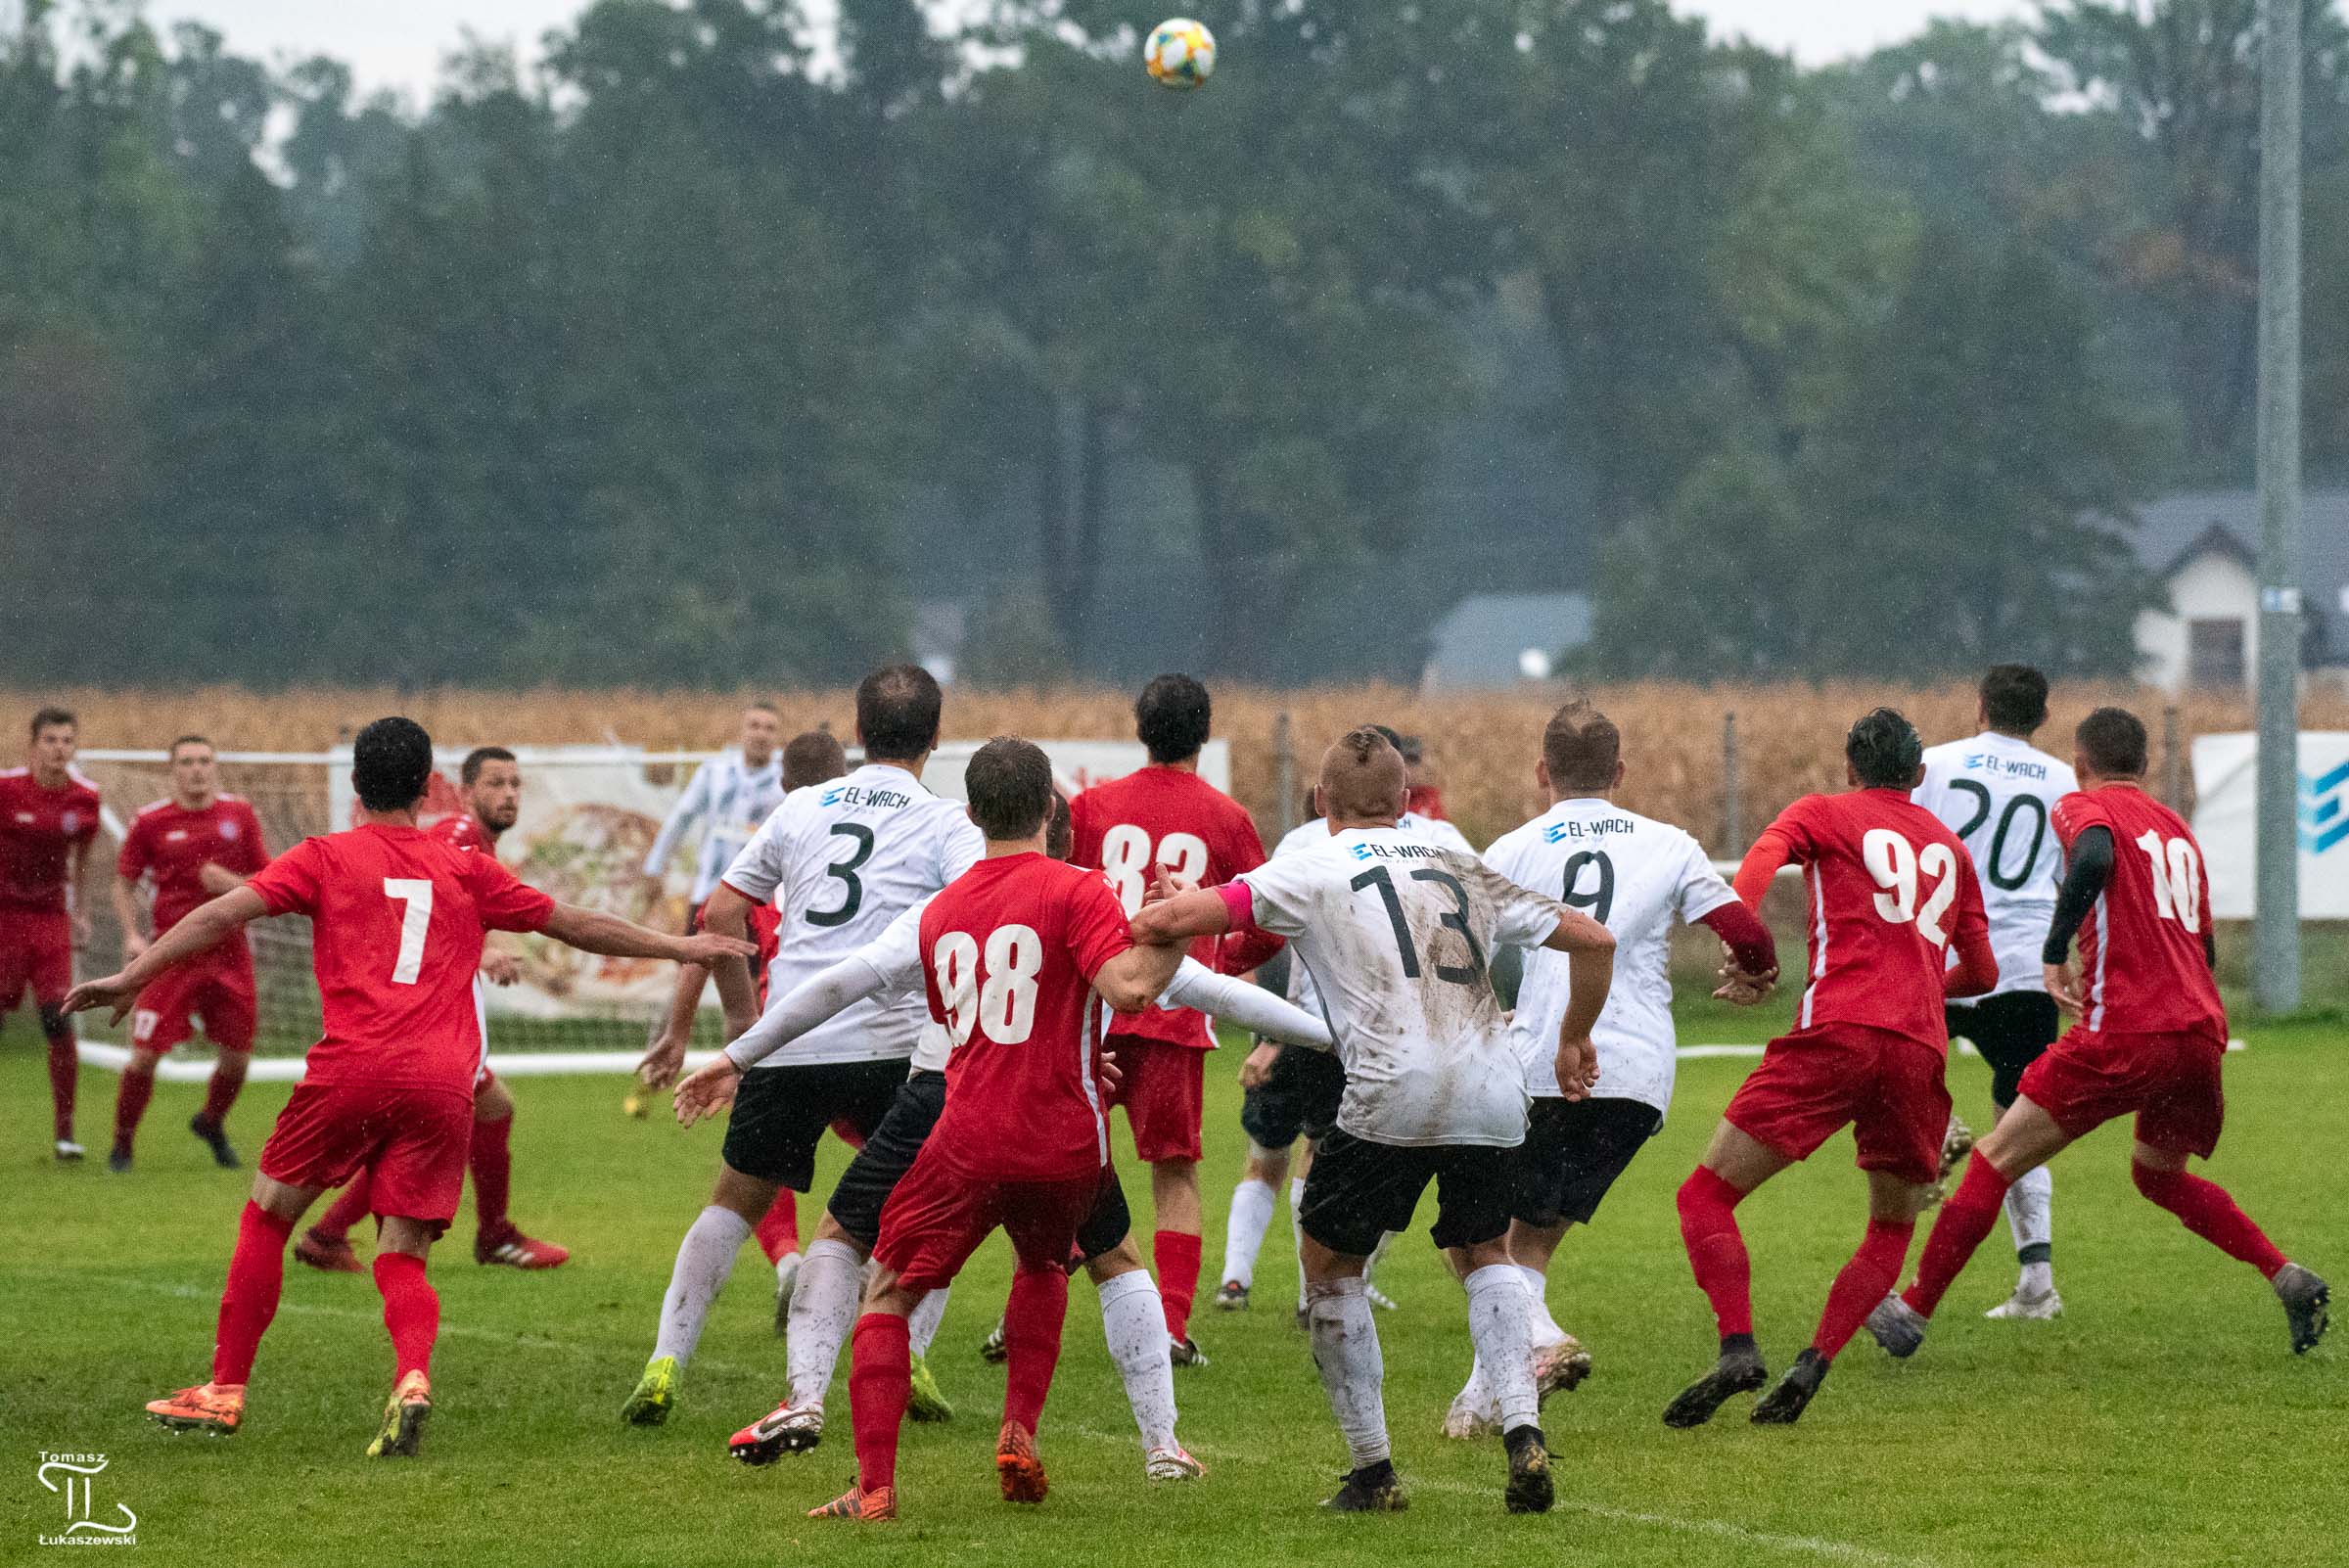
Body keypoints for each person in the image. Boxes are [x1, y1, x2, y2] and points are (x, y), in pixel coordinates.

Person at [62, 717, 751, 1455]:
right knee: (401, 1251)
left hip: (352, 1069)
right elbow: (573, 923)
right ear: (430, 788)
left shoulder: (326, 856)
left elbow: (223, 911)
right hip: (443, 1082)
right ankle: (413, 1377)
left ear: (357, 787)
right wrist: (682, 945)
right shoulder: (465, 868)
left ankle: (224, 1389)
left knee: (268, 1216)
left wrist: (132, 975)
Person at [678, 791, 1334, 1481]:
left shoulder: (947, 903)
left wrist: (740, 1053)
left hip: (948, 1109)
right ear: (1063, 833)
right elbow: (1214, 991)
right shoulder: (1090, 905)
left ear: (975, 820)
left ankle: (812, 1405)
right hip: (1057, 1119)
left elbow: (846, 981)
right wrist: (1334, 1038)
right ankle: (1159, 1445)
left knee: (850, 1241)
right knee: (1099, 1260)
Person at [1133, 726, 1617, 1514]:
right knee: (1485, 1248)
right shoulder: (1463, 863)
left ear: (1321, 802)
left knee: (1328, 1265)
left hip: (1392, 1085)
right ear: (1406, 802)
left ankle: (1373, 1471)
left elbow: (1191, 920)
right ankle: (1523, 1435)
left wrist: (1160, 913)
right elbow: (1595, 938)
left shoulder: (1310, 866)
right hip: (1493, 1087)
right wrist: (1573, 1038)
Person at [791, 736, 1189, 1521]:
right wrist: (1172, 925)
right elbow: (1132, 990)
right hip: (1068, 1143)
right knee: (1044, 1263)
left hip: (968, 1135)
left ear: (970, 813)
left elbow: (965, 1031)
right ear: (1049, 806)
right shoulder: (1081, 892)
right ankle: (1018, 1433)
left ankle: (873, 1488)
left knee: (889, 1291)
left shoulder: (941, 911)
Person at [1869, 708, 2330, 1360]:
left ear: (2082, 763)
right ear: (2145, 764)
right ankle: (2286, 1275)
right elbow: (2204, 946)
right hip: (2200, 1031)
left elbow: (2091, 854)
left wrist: (2055, 949)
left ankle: (1911, 1310)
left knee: (1996, 1157)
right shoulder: (2177, 830)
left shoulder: (2083, 808)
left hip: (2127, 1031)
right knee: (2158, 1176)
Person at [622, 669, 983, 1427]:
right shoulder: (948, 822)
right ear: (938, 736)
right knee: (928, 1204)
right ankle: (908, 1353)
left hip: (792, 1038)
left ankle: (665, 1360)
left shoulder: (800, 805)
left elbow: (722, 911)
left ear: (856, 733)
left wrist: (746, 1022)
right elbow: (972, 923)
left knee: (732, 1204)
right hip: (895, 1045)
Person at [1442, 701, 1777, 1438]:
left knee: (1467, 1235)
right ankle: (1483, 1400)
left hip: (1540, 1065)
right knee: (1527, 1240)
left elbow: (1456, 945)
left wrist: (1481, 1009)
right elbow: (1745, 930)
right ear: (1620, 771)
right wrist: (1757, 972)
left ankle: (1539, 1338)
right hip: (1637, 1076)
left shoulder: (1515, 846)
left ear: (1542, 772)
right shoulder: (1669, 843)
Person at [1662, 708, 1995, 1431]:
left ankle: (1738, 1346)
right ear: (1919, 775)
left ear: (1850, 768)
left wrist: (1743, 945)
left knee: (1705, 1196)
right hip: (1920, 1049)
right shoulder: (1950, 848)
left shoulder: (1824, 811)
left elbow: (1759, 860)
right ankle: (1814, 1364)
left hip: (1837, 1031)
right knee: (1888, 1230)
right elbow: (1985, 970)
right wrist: (1913, 984)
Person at [1212, 729, 1469, 1319]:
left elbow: (1257, 936)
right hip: (1397, 1034)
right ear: (1401, 790)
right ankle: (1320, 1290)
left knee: (1289, 1154)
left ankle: (1260, 1282)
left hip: (1308, 1026)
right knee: (1342, 1160)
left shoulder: (1302, 842)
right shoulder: (1439, 839)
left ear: (1327, 795)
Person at [298, 747, 572, 1271]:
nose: (509, 794)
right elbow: (416, 911)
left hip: (420, 1021)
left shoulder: (476, 843)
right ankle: (339, 1232)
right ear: (466, 793)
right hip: (420, 1023)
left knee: (485, 1111)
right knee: (429, 1126)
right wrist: (484, 951)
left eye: (516, 784)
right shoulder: (457, 838)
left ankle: (338, 1233)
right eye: (495, 784)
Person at [1067, 673, 1269, 1366]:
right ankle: (1174, 1328)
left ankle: (1023, 1313)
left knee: (1067, 1167)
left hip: (1095, 1011)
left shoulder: (1093, 806)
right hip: (1177, 1012)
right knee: (1174, 1172)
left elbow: (1058, 897)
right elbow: (1266, 917)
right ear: (1205, 731)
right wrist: (1222, 957)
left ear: (1140, 728)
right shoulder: (1225, 817)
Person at [634, 729, 851, 1321]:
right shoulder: (875, 844)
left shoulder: (767, 851)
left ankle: (785, 1260)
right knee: (901, 1159)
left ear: (782, 785)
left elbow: (713, 935)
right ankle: (868, 1278)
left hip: (775, 1036)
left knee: (755, 1169)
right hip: (861, 1033)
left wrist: (681, 1034)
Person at [1911, 666, 2078, 1319]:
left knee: (1892, 1082)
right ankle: (2037, 1281)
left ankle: (1937, 1130)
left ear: (1979, 706)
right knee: (2022, 1125)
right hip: (2024, 966)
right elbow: (2074, 879)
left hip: (1944, 960)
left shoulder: (1933, 766)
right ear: (2041, 715)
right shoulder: (2065, 781)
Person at [108, 736, 269, 1172]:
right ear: (172, 769)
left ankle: (211, 1122)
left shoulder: (239, 813)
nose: (197, 769)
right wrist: (131, 936)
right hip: (171, 952)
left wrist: (230, 883)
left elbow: (269, 878)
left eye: (204, 761)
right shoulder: (151, 821)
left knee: (237, 1058)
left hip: (230, 951)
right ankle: (122, 1145)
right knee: (144, 1055)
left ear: (215, 766)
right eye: (187, 762)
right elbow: (123, 882)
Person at [2, 707, 103, 1161]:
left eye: (67, 740)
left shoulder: (84, 799)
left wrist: (79, 911)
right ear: (33, 745)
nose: (59, 748)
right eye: (51, 740)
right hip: (4, 916)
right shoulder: (6, 791)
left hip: (48, 921)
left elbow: (81, 859)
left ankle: (65, 1133)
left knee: (57, 1018)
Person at [641, 701, 787, 916]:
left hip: (760, 903)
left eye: (769, 728)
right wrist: (655, 865)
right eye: (754, 726)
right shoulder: (714, 771)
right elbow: (682, 818)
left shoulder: (785, 782)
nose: (761, 734)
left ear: (779, 737)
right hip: (708, 893)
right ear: (741, 731)